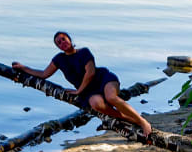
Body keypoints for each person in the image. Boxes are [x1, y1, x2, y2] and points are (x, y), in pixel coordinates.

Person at [12, 31, 152, 137]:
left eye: (63, 39)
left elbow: (90, 73)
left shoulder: (84, 52)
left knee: (111, 98)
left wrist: (78, 91)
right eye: (59, 43)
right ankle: (127, 118)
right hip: (89, 91)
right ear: (58, 47)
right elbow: (43, 74)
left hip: (103, 79)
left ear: (70, 40)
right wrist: (23, 68)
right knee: (97, 105)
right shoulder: (59, 59)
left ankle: (142, 121)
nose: (62, 43)